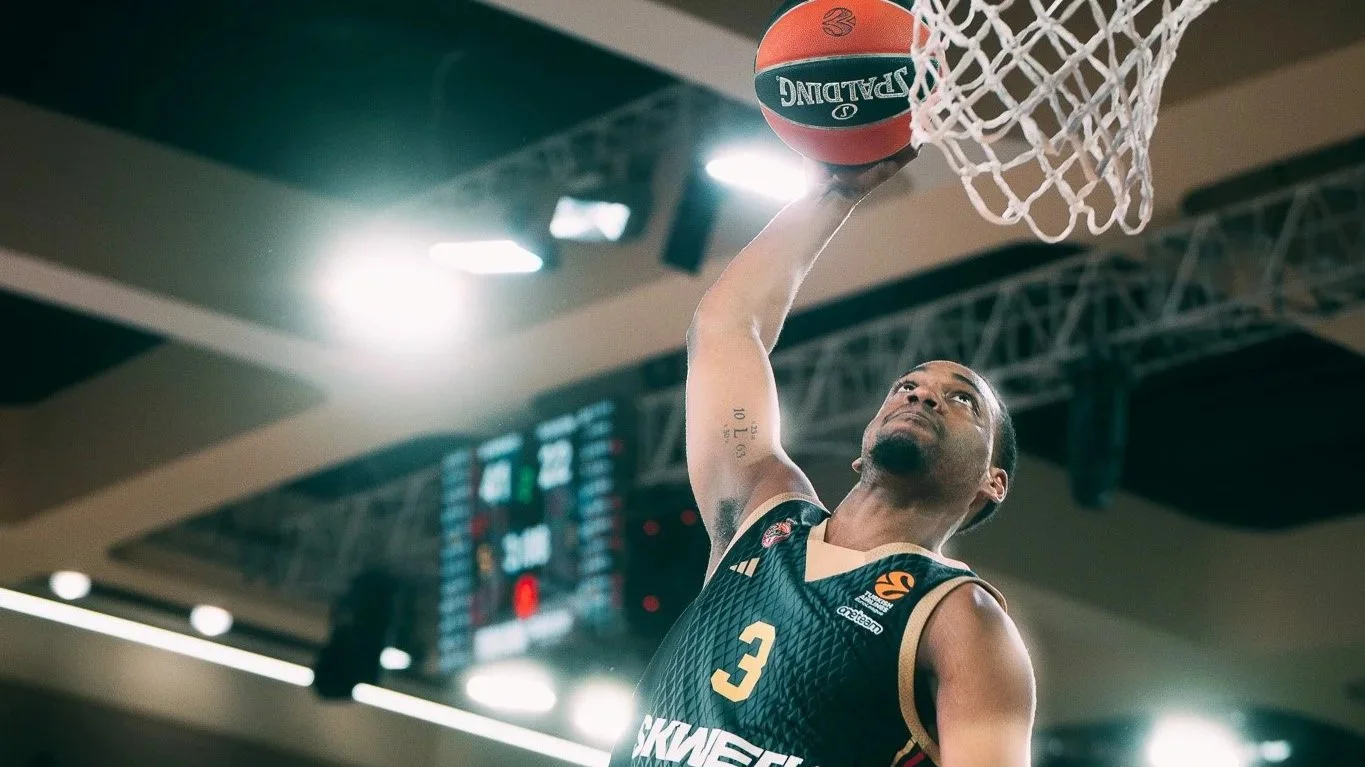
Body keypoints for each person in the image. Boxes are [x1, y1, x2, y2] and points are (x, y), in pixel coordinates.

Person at [610, 150, 1036, 767]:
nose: (922, 394)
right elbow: (728, 326)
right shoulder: (761, 512)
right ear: (862, 450)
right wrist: (836, 189)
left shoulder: (957, 617)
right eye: (908, 385)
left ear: (992, 482)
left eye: (961, 399)